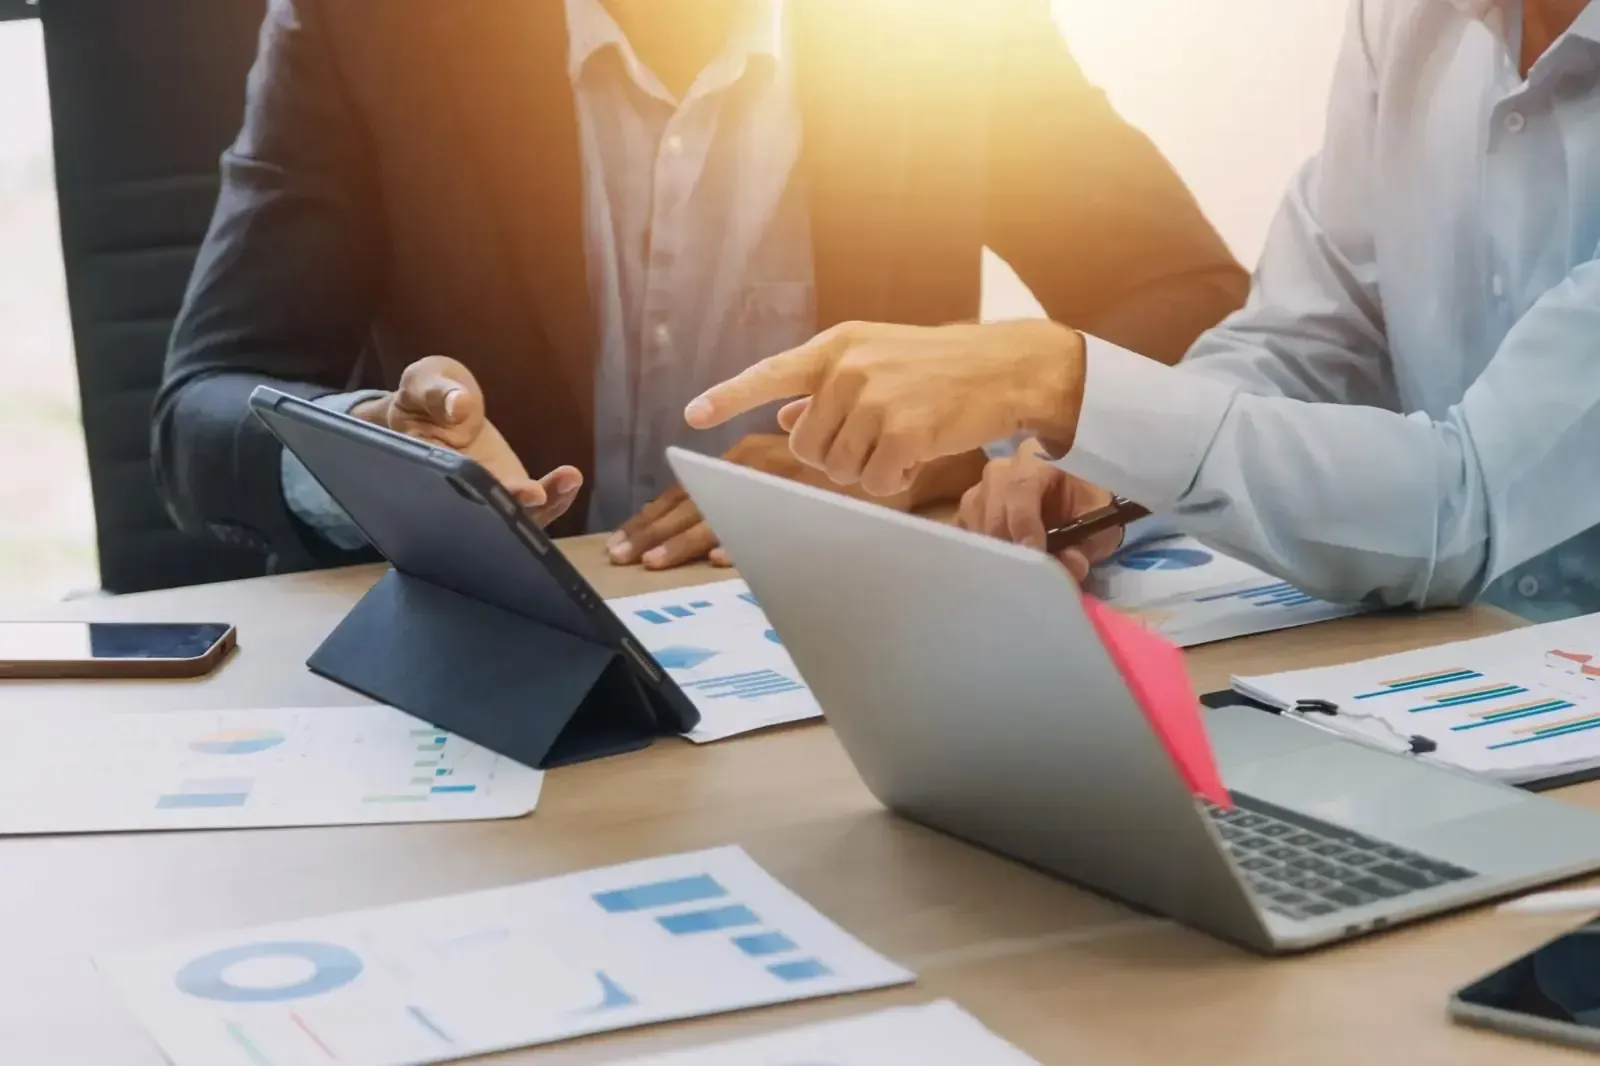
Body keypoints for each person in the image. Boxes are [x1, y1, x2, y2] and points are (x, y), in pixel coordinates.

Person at [151, 0, 1246, 574]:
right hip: (516, 657)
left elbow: (1192, 290)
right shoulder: (375, 22)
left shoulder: (944, 31)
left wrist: (931, 455)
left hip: (845, 644)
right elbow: (200, 407)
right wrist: (376, 447)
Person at [687, 0, 1600, 621]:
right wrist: (1111, 471)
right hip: (1443, 687)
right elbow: (1305, 343)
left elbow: (1468, 507)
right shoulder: (1409, 20)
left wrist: (1058, 378)